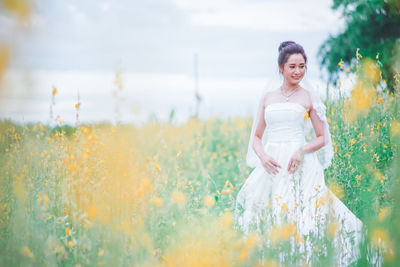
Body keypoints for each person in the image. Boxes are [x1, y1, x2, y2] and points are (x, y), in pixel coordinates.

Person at [234, 41, 364, 266]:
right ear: (281, 67)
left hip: (300, 164)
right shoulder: (267, 98)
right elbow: (256, 137)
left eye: (302, 66)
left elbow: (322, 137)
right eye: (292, 66)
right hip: (272, 165)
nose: (298, 71)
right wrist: (263, 157)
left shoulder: (308, 97)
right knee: (268, 213)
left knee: (306, 215)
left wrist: (301, 151)